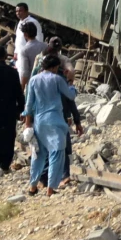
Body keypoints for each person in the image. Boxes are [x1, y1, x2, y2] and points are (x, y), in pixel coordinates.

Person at [32, 37, 83, 187]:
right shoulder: (59, 75)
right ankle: (59, 177)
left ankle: (45, 179)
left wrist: (28, 118)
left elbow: (30, 98)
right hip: (59, 116)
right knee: (60, 146)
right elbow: (71, 98)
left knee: (47, 148)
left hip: (44, 116)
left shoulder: (39, 73)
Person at [24, 55, 75, 196]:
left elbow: (28, 105)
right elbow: (70, 95)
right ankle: (50, 189)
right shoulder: (57, 79)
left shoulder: (33, 80)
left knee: (38, 155)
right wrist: (71, 84)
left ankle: (33, 186)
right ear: (53, 67)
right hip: (55, 121)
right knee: (56, 153)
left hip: (39, 122)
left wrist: (28, 124)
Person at [16, 22, 47, 90]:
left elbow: (25, 72)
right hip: (45, 82)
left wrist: (22, 87)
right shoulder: (45, 46)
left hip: (32, 83)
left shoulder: (24, 50)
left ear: (25, 35)